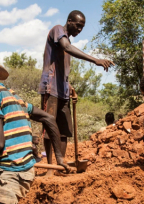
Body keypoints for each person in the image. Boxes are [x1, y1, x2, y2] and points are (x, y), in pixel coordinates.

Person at [0, 53, 70, 204]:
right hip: (26, 172)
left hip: (9, 174)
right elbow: (48, 118)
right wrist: (59, 157)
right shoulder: (12, 95)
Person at [38, 10, 115, 176]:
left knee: (64, 130)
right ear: (69, 21)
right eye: (78, 25)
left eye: (82, 27)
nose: (80, 30)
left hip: (63, 90)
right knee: (50, 127)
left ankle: (61, 166)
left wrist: (69, 85)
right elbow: (67, 47)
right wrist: (96, 60)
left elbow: (61, 67)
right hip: (50, 88)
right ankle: (50, 169)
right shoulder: (59, 30)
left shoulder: (66, 45)